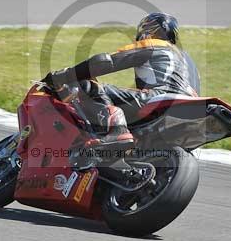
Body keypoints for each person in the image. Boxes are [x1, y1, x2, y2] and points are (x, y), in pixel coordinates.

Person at [44, 12, 200, 147]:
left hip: (158, 98)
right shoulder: (189, 60)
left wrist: (65, 75)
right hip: (190, 110)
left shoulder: (153, 44)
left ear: (148, 30)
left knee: (87, 85)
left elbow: (104, 61)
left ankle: (117, 130)